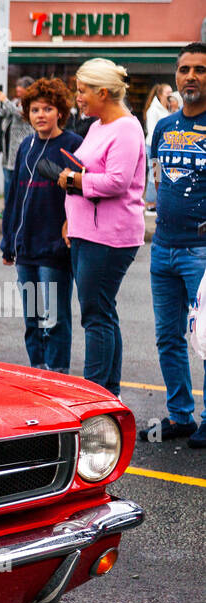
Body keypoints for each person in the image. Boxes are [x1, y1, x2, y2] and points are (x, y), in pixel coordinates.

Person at [58, 58, 146, 398]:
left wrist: (76, 179)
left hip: (109, 235)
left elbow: (118, 181)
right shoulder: (98, 125)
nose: (77, 98)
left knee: (95, 315)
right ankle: (108, 392)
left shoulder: (126, 127)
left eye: (82, 91)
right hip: (87, 230)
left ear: (103, 93)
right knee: (102, 312)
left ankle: (93, 395)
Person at [140, 42, 206, 448]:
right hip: (163, 247)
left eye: (200, 69)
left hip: (202, 251)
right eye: (184, 70)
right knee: (168, 337)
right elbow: (159, 181)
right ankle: (180, 416)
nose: (191, 77)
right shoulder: (163, 127)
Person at [0, 78, 84, 374]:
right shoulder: (26, 145)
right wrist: (8, 241)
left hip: (55, 248)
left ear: (60, 111)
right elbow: (14, 197)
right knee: (32, 319)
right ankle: (37, 369)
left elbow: (82, 192)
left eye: (48, 108)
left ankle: (58, 373)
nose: (41, 115)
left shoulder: (73, 144)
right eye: (35, 109)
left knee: (56, 319)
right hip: (26, 247)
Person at [0, 76, 36, 209]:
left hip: (20, 148)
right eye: (18, 87)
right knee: (8, 180)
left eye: (21, 87)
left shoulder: (32, 104)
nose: (18, 90)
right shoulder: (15, 101)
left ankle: (16, 208)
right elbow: (2, 113)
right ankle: (7, 207)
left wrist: (5, 100)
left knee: (17, 181)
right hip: (8, 148)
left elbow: (20, 114)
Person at [143, 83, 173, 208]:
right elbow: (152, 131)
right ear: (160, 95)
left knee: (163, 175)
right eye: (168, 93)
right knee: (154, 174)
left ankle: (159, 202)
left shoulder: (169, 108)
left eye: (172, 93)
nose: (170, 96)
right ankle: (150, 203)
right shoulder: (153, 109)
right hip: (153, 146)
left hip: (166, 147)